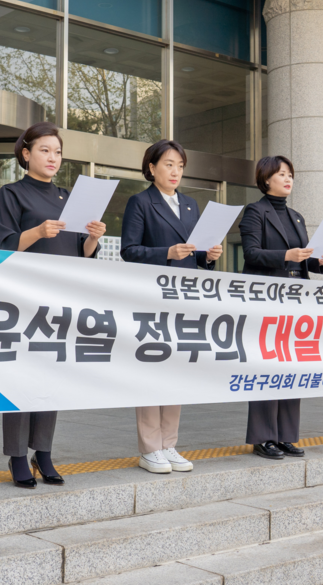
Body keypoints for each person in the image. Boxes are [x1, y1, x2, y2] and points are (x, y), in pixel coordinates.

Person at [0, 121, 106, 488]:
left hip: (60, 296)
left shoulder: (69, 197)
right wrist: (37, 232)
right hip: (24, 298)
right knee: (21, 376)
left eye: (57, 151)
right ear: (26, 154)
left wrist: (92, 238)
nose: (52, 157)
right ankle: (18, 456)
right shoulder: (12, 194)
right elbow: (0, 246)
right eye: (44, 150)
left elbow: (80, 254)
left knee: (50, 376)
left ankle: (44, 451)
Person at [121, 139, 222, 473]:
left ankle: (169, 443)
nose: (175, 171)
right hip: (152, 296)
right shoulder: (140, 202)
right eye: (168, 164)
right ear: (151, 168)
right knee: (152, 367)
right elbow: (129, 250)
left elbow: (194, 254)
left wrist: (208, 257)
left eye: (180, 165)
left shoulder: (191, 205)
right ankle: (150, 447)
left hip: (185, 296)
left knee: (176, 369)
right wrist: (166, 252)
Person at [239, 155, 323, 459]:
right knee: (267, 365)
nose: (288, 179)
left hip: (297, 299)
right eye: (282, 174)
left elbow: (301, 257)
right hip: (268, 298)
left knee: (293, 363)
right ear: (266, 179)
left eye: (290, 174)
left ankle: (286, 435)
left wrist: (318, 262)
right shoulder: (255, 211)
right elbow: (252, 254)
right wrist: (286, 256)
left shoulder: (296, 216)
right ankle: (263, 436)